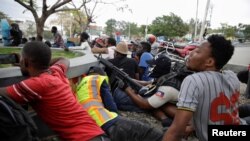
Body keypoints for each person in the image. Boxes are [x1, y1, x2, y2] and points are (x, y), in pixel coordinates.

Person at [0, 41, 109, 141]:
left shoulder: (35, 85)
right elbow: (64, 59)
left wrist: (25, 65)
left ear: (25, 62)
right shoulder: (56, 72)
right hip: (97, 134)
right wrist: (39, 63)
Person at [163, 35, 247, 141]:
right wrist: (194, 126)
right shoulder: (232, 76)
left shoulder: (192, 80)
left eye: (197, 52)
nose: (190, 53)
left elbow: (176, 132)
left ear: (209, 62)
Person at [76, 66, 163, 141]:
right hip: (107, 122)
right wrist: (117, 117)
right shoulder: (98, 79)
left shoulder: (79, 87)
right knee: (148, 133)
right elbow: (110, 104)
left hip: (91, 127)